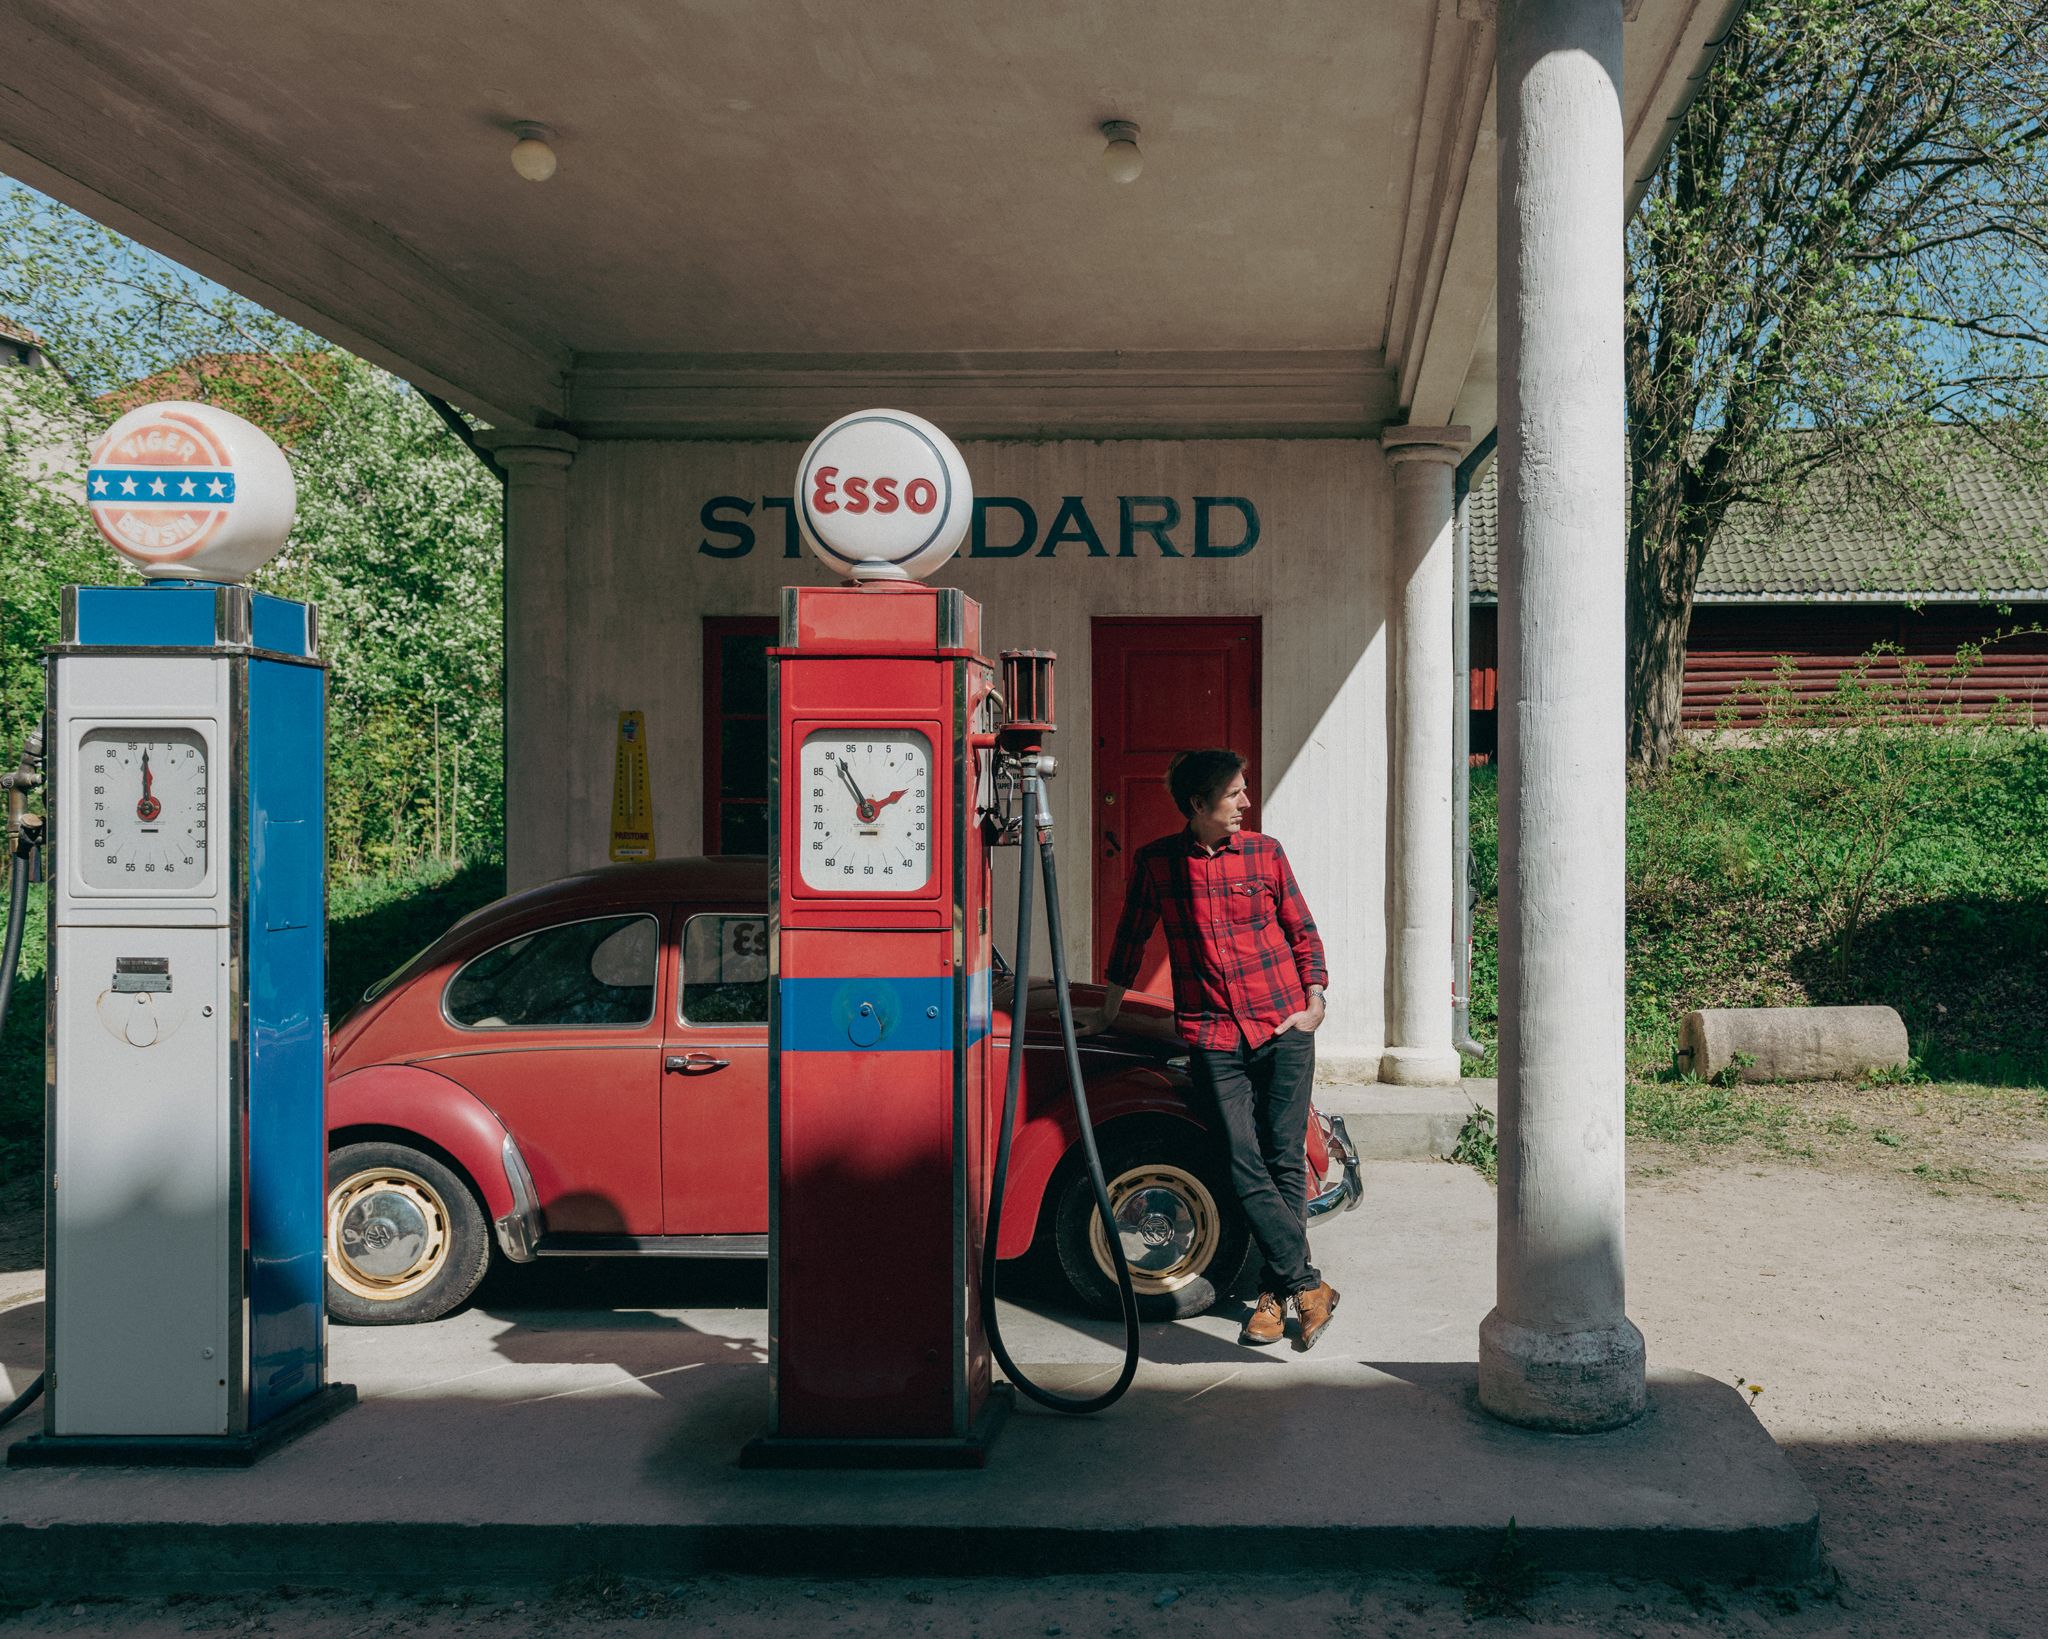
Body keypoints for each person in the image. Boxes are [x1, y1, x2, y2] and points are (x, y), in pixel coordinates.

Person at [1084, 748, 1339, 1350]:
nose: (1246, 801)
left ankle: (1276, 1295)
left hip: (1283, 1025)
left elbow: (1302, 930)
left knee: (1284, 1158)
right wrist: (1109, 1010)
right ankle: (1306, 1285)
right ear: (1199, 804)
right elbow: (1131, 937)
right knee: (1240, 1161)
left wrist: (1315, 1001)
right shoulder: (1158, 864)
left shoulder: (1265, 853)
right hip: (1213, 1034)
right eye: (1234, 793)